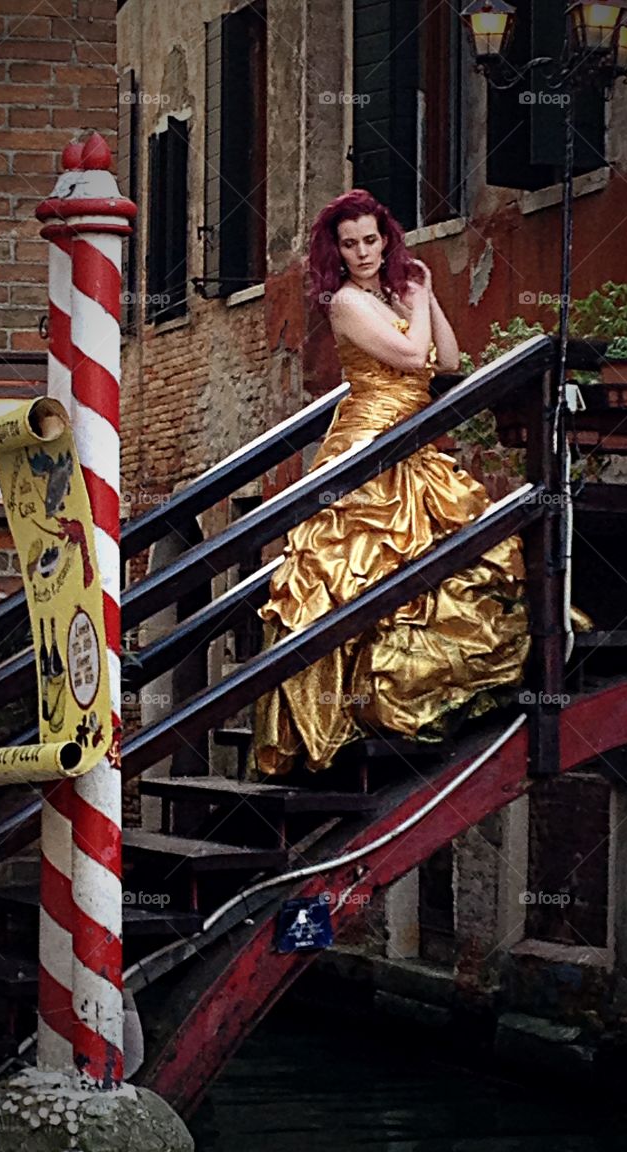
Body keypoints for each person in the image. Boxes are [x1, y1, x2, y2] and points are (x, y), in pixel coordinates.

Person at [252, 189, 533, 777]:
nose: (361, 253)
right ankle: (349, 719)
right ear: (337, 250)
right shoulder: (346, 302)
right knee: (354, 569)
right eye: (349, 244)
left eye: (371, 241)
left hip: (412, 439)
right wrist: (423, 295)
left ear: (386, 240)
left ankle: (412, 700)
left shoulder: (392, 292)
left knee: (434, 565)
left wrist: (421, 293)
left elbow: (450, 362)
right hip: (366, 441)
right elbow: (411, 356)